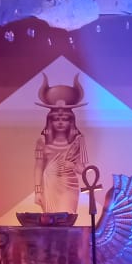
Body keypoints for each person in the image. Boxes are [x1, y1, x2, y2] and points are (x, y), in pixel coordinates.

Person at [34, 74, 88, 215]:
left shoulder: (78, 141)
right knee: (51, 220)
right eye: (56, 119)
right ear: (50, 121)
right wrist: (38, 191)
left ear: (71, 122)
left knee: (67, 216)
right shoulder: (42, 141)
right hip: (49, 183)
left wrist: (76, 167)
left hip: (69, 184)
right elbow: (38, 166)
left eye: (64, 119)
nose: (60, 122)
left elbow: (82, 169)